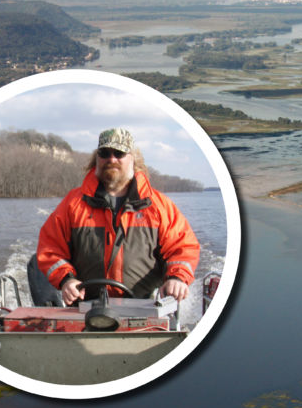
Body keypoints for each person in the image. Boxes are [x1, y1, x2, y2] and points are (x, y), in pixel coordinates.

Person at [37, 128, 200, 306]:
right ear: (96, 158)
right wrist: (66, 280)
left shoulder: (159, 205)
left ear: (133, 158)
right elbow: (50, 248)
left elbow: (183, 248)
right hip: (84, 309)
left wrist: (177, 278)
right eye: (104, 153)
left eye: (119, 153)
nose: (111, 159)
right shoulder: (72, 203)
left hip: (146, 309)